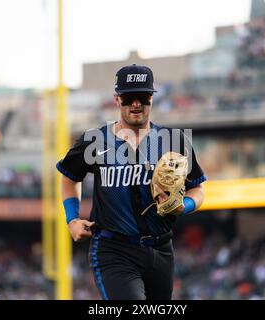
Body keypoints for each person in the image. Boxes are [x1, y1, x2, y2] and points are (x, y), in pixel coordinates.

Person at [56, 64, 206, 300]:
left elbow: (197, 187)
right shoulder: (95, 141)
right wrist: (72, 219)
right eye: (128, 97)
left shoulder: (174, 141)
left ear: (152, 99)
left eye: (143, 97)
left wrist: (183, 205)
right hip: (114, 249)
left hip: (161, 249)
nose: (136, 104)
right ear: (117, 100)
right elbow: (69, 177)